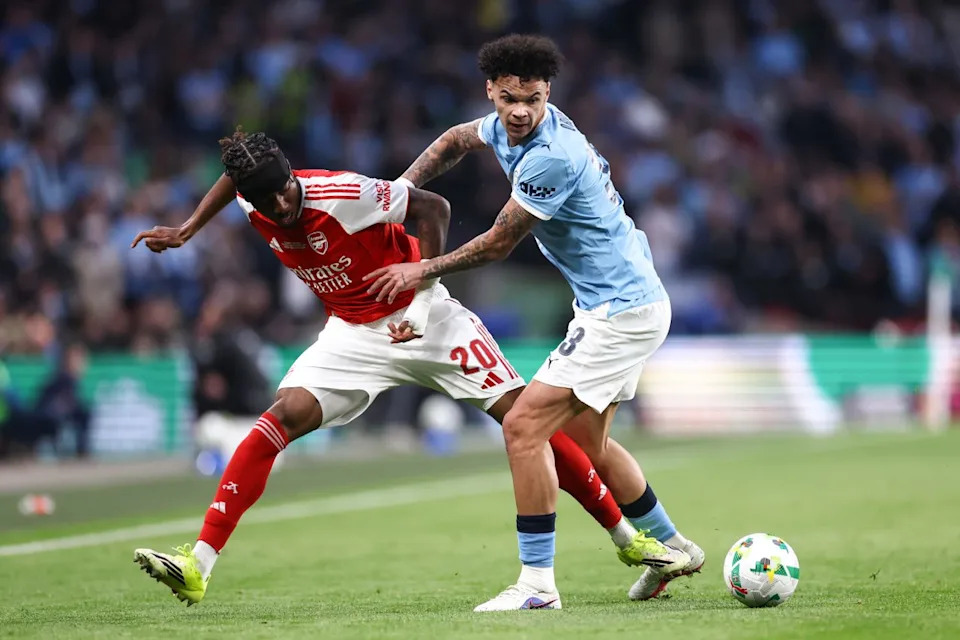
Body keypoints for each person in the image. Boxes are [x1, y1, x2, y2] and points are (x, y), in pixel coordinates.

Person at [130, 128, 664, 607]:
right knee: (283, 413)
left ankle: (627, 538)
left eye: (285, 189)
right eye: (266, 200)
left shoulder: (344, 194)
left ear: (295, 175)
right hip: (354, 333)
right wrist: (187, 229)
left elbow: (434, 209)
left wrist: (421, 300)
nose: (281, 204)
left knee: (526, 422)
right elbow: (233, 179)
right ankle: (198, 563)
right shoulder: (255, 199)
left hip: (429, 320)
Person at [364, 34, 704, 611]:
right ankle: (673, 547)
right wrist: (398, 192)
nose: (521, 111)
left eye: (535, 99)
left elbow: (498, 242)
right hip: (620, 302)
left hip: (621, 311)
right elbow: (452, 142)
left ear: (549, 94)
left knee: (523, 427)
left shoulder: (554, 154)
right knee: (589, 444)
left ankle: (537, 586)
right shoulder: (503, 126)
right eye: (509, 98)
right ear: (492, 92)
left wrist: (421, 270)